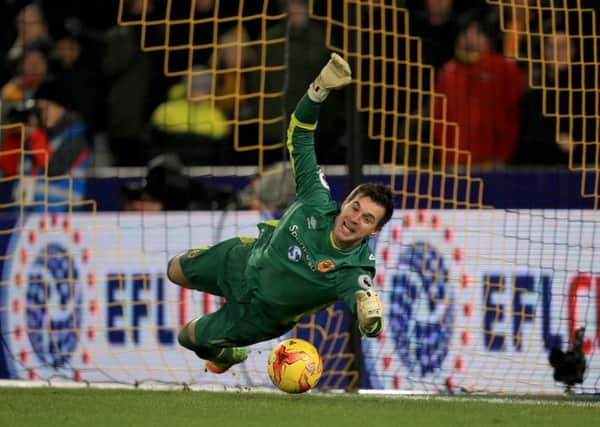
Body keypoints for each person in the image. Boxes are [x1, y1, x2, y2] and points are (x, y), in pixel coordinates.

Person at [167, 53, 393, 373]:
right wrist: (318, 91)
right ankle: (217, 294)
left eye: (367, 219)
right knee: (173, 269)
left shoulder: (352, 271)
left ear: (374, 232)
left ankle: (226, 355)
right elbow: (300, 136)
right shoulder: (316, 198)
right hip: (242, 260)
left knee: (188, 337)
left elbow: (370, 322)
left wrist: (372, 319)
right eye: (355, 207)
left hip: (258, 316)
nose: (355, 218)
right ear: (345, 203)